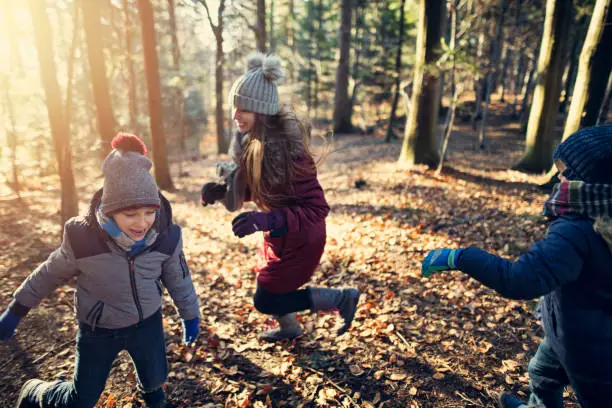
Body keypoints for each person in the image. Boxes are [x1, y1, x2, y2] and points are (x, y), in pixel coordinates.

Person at [0, 133, 200, 408]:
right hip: (99, 329)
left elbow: (179, 278)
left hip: (147, 323)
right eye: (131, 214)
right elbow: (48, 274)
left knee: (155, 378)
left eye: (149, 212)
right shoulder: (83, 239)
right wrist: (16, 310)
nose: (142, 223)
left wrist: (190, 315)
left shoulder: (166, 236)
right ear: (111, 210)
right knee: (80, 400)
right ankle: (37, 392)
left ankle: (155, 399)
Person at [420, 125, 612, 408]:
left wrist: (459, 257)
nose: (558, 176)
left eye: (565, 172)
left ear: (589, 184)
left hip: (590, 350)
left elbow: (520, 279)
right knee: (542, 373)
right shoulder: (598, 217)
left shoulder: (577, 231)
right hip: (572, 330)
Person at [201, 52, 360, 341]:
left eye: (242, 108)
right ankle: (290, 328)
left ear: (260, 110)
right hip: (280, 234)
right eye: (233, 107)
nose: (234, 115)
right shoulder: (252, 142)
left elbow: (316, 208)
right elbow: (264, 190)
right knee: (272, 287)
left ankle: (341, 299)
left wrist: (266, 219)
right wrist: (223, 191)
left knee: (266, 298)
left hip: (303, 238)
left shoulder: (288, 152)